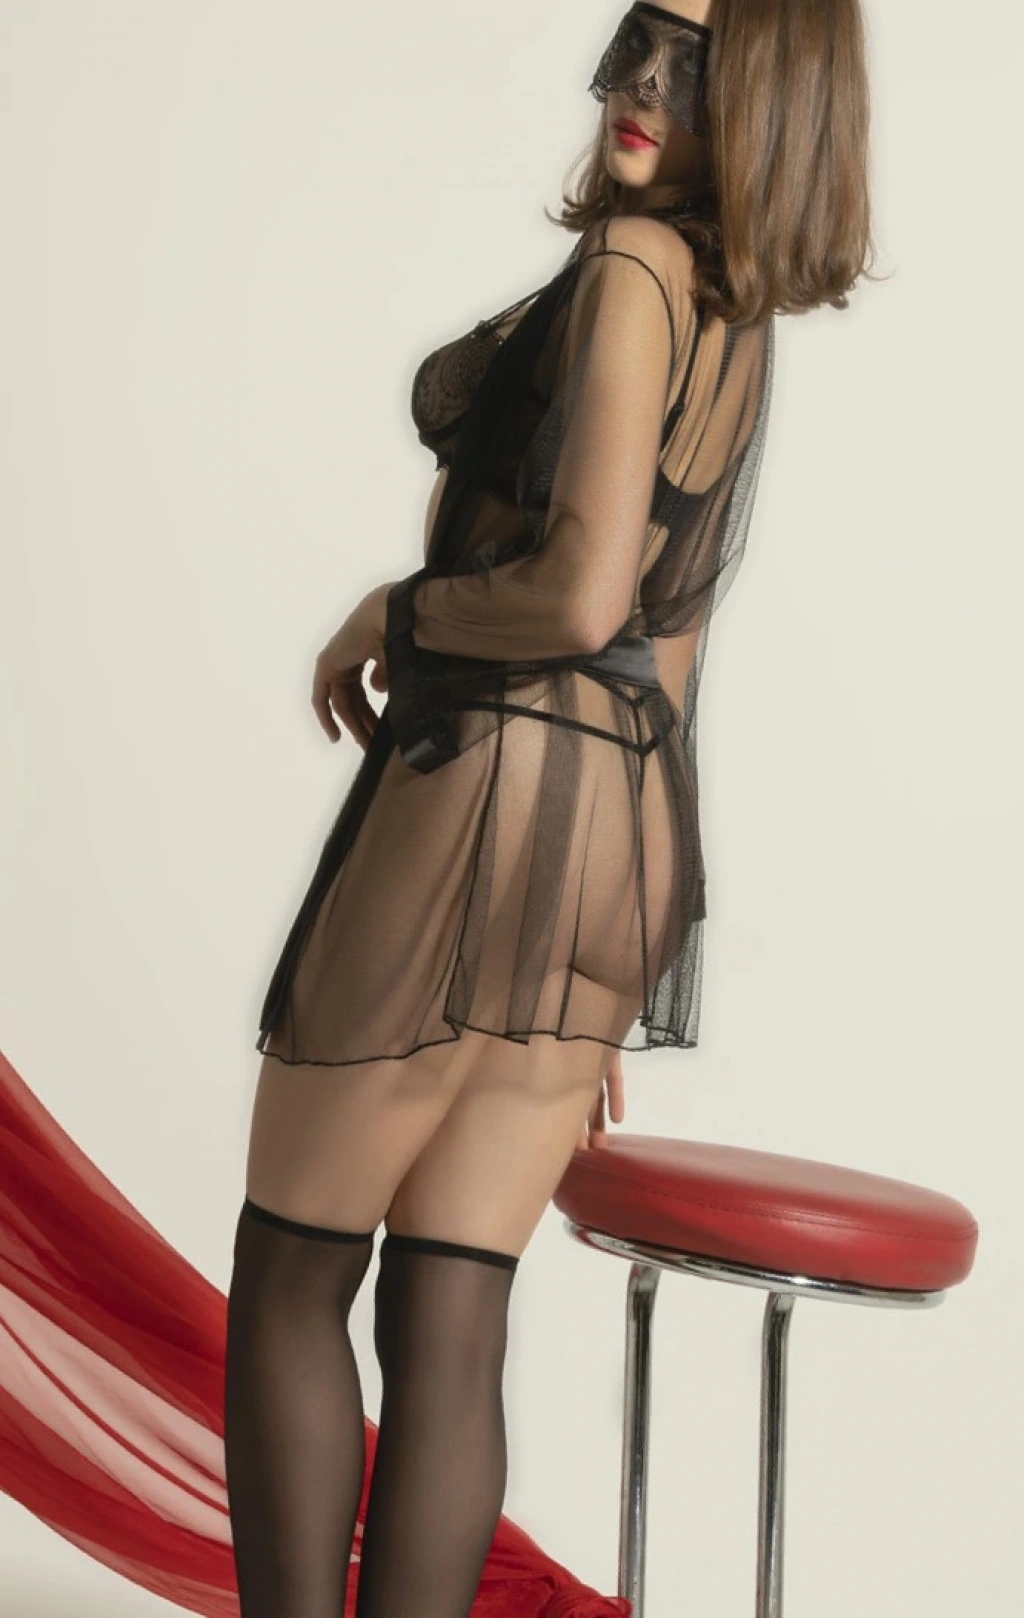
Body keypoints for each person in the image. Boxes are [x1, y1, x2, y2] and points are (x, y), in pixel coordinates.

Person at [224, 3, 875, 1615]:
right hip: (615, 836)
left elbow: (581, 598)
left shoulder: (640, 268)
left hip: (491, 785)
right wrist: (587, 966)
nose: (644, 82)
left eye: (695, 64)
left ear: (768, 102)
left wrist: (394, 609)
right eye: (640, 36)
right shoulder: (735, 313)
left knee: (292, 1282)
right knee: (452, 1312)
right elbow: (670, 646)